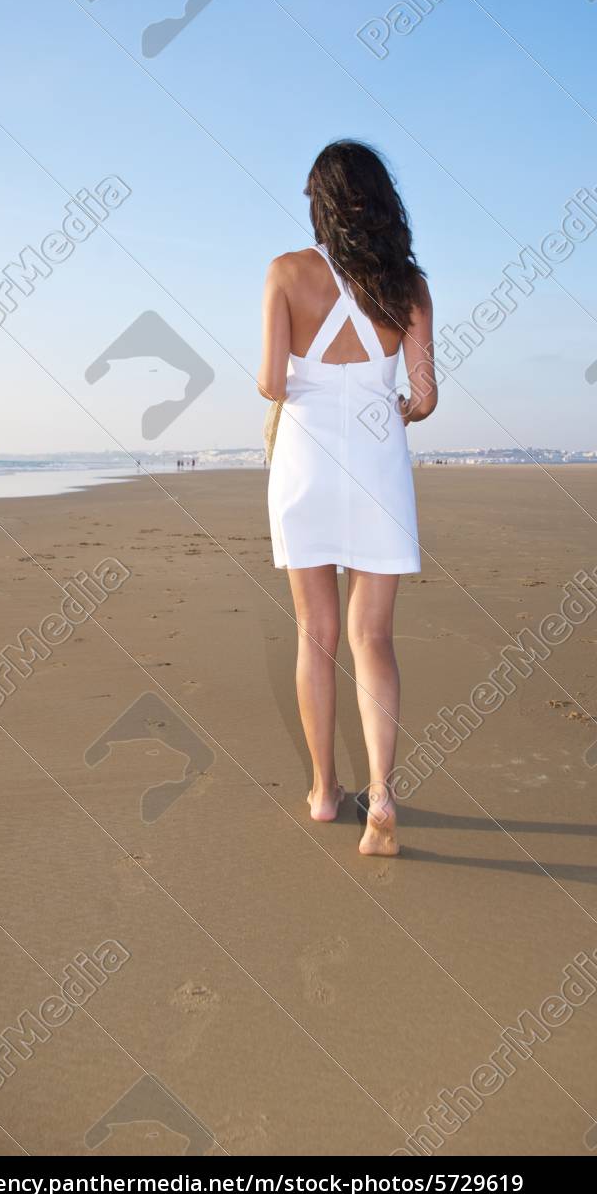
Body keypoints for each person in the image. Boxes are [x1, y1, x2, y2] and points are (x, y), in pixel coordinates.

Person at [259, 141, 436, 856]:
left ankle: (326, 792)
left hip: (305, 462)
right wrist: (393, 405)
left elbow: (272, 383)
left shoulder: (285, 272)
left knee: (316, 636)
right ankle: (383, 799)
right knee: (373, 639)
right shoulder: (409, 284)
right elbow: (422, 397)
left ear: (320, 202)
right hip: (376, 461)